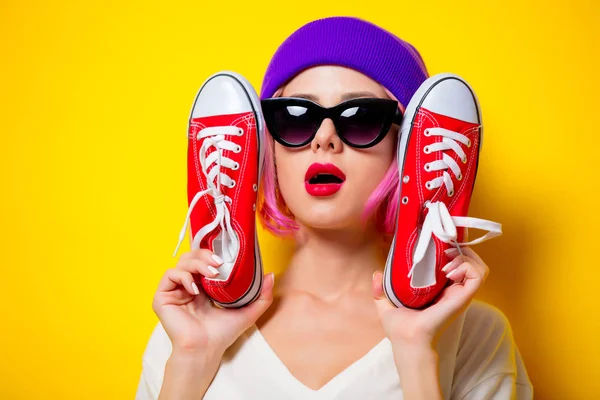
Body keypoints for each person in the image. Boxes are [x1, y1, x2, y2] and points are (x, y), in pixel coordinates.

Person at [135, 16, 533, 399]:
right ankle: (229, 281)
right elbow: (187, 348)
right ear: (264, 148)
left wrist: (417, 353)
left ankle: (418, 276)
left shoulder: (473, 335)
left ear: (410, 147)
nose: (324, 138)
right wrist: (192, 355)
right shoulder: (185, 328)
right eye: (294, 118)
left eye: (360, 117)